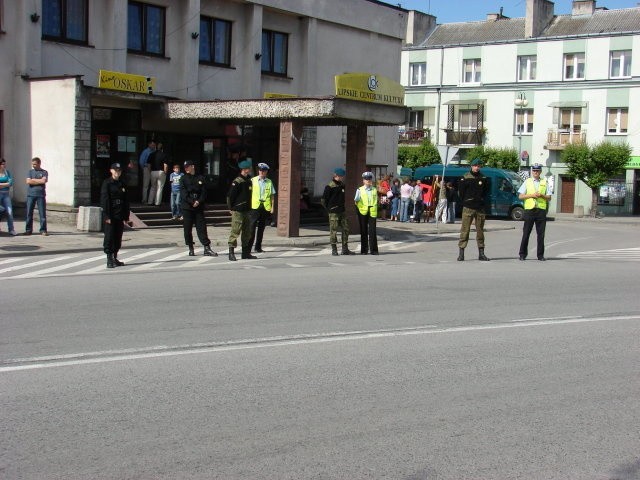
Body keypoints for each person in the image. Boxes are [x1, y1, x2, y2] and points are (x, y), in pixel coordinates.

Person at [180, 160, 216, 257]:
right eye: (185, 167)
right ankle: (191, 247)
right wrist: (192, 202)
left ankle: (207, 248)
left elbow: (204, 192)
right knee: (187, 229)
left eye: (188, 166)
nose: (186, 168)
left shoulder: (200, 178)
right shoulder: (183, 178)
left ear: (192, 166)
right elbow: (183, 194)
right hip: (187, 206)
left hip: (198, 206)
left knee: (202, 228)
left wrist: (198, 201)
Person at [457, 158, 490, 261]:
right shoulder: (465, 177)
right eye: (475, 166)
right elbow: (461, 193)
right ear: (471, 166)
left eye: (478, 166)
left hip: (479, 208)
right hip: (468, 207)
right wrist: (467, 201)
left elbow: (486, 192)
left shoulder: (483, 178)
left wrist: (481, 200)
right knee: (465, 230)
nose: (477, 168)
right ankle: (461, 253)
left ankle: (481, 253)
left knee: (480, 231)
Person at [518, 163, 552, 261]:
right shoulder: (527, 182)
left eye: (537, 171)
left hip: (541, 210)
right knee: (526, 233)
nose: (535, 172)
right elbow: (520, 196)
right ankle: (522, 254)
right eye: (534, 171)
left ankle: (540, 255)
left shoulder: (544, 182)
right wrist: (532, 195)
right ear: (532, 172)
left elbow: (549, 197)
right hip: (530, 210)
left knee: (541, 234)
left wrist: (542, 195)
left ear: (540, 172)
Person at [100, 163, 131, 268]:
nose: (118, 172)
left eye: (119, 170)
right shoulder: (107, 183)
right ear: (111, 171)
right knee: (109, 237)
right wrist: (107, 216)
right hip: (111, 213)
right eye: (116, 170)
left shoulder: (122, 184)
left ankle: (115, 257)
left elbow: (126, 200)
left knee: (118, 238)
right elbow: (104, 200)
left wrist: (126, 216)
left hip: (120, 213)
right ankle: (109, 258)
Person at [321, 167, 355, 256]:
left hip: (342, 211)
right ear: (335, 175)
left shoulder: (342, 185)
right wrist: (329, 209)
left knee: (346, 229)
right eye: (339, 176)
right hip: (333, 212)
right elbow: (323, 200)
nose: (341, 178)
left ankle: (345, 249)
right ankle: (334, 249)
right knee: (333, 230)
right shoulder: (329, 186)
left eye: (342, 176)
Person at [227, 158, 255, 261]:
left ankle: (245, 253)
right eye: (248, 168)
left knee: (247, 232)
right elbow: (230, 196)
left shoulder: (248, 181)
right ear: (244, 169)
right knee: (235, 231)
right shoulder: (237, 181)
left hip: (247, 210)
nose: (250, 170)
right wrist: (231, 208)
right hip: (238, 210)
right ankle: (231, 252)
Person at [249, 162, 276, 253]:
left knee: (261, 228)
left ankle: (258, 247)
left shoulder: (269, 181)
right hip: (255, 207)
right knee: (252, 228)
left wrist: (272, 207)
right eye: (260, 170)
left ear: (266, 172)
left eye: (263, 170)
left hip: (265, 207)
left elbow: (272, 195)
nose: (261, 172)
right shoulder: (253, 180)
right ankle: (249, 247)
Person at [354, 171, 379, 255]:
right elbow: (356, 201)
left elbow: (376, 200)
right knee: (363, 231)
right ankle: (364, 250)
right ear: (363, 181)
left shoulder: (374, 189)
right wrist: (359, 209)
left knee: (372, 231)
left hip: (372, 212)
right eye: (366, 179)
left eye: (369, 179)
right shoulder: (359, 190)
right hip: (363, 211)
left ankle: (374, 250)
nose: (368, 181)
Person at [25, 156, 48, 236]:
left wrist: (33, 180)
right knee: (29, 213)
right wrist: (39, 181)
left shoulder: (44, 172)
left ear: (39, 164)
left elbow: (44, 181)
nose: (33, 166)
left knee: (42, 213)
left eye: (35, 164)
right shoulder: (30, 172)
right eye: (32, 164)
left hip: (41, 195)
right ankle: (28, 230)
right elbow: (28, 181)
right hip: (30, 195)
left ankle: (43, 230)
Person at [148, 141, 168, 206]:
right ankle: (157, 203)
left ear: (156, 147)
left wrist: (150, 171)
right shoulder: (163, 155)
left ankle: (150, 202)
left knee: (152, 187)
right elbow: (165, 165)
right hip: (161, 172)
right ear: (162, 149)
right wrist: (165, 172)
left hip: (153, 172)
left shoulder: (151, 154)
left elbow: (148, 165)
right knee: (160, 188)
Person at [0, 158, 17, 235]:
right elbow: (8, 183)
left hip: (6, 194)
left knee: (9, 211)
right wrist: (6, 184)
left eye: (4, 164)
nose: (4, 165)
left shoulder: (7, 172)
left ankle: (11, 229)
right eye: (2, 164)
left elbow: (10, 183)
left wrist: (1, 185)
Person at [139, 139, 156, 204]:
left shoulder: (155, 151)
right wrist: (144, 168)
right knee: (146, 185)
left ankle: (152, 200)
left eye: (154, 145)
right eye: (152, 145)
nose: (153, 146)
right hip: (146, 168)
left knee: (153, 185)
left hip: (154, 169)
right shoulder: (145, 151)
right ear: (149, 145)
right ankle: (144, 200)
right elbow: (141, 161)